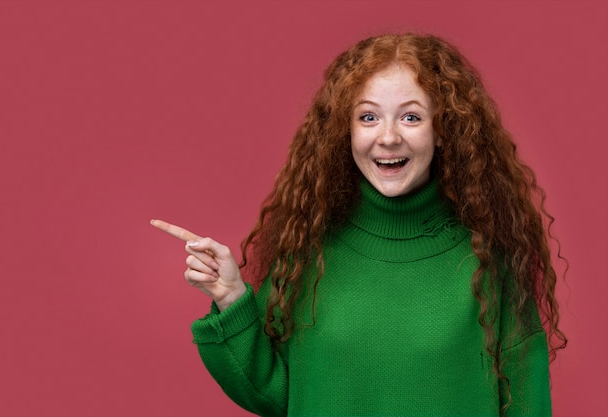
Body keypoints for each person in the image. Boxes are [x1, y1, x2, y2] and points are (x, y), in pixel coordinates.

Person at [151, 33, 566, 417]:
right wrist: (230, 298)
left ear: (443, 130)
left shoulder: (489, 261)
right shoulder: (307, 253)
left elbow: (528, 403)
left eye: (411, 118)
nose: (387, 137)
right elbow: (279, 395)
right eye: (368, 118)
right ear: (344, 132)